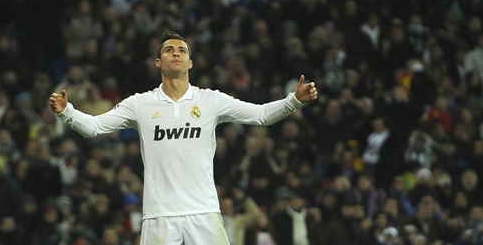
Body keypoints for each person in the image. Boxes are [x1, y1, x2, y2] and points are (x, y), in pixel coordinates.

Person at [49, 30, 318, 245]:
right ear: (158, 62)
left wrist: (294, 101)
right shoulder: (140, 104)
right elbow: (95, 127)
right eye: (168, 50)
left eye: (181, 50)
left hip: (203, 211)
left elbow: (261, 115)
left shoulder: (211, 100)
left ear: (190, 62)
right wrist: (67, 112)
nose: (175, 53)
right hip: (160, 215)